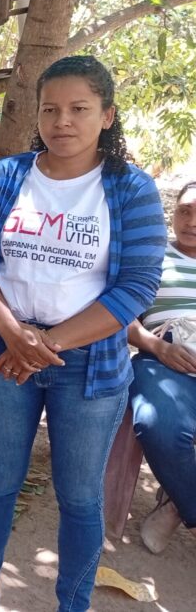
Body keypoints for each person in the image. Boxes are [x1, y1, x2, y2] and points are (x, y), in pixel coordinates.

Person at [0, 54, 166, 612]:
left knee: (78, 496)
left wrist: (42, 345)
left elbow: (137, 286)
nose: (62, 121)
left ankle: (72, 604)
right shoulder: (7, 176)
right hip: (3, 351)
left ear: (107, 115)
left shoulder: (131, 189)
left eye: (79, 108)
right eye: (50, 109)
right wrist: (12, 332)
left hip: (89, 365)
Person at [127, 180, 196, 553]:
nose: (192, 221)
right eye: (185, 210)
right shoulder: (153, 257)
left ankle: (174, 506)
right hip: (164, 361)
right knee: (158, 425)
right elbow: (119, 316)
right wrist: (158, 347)